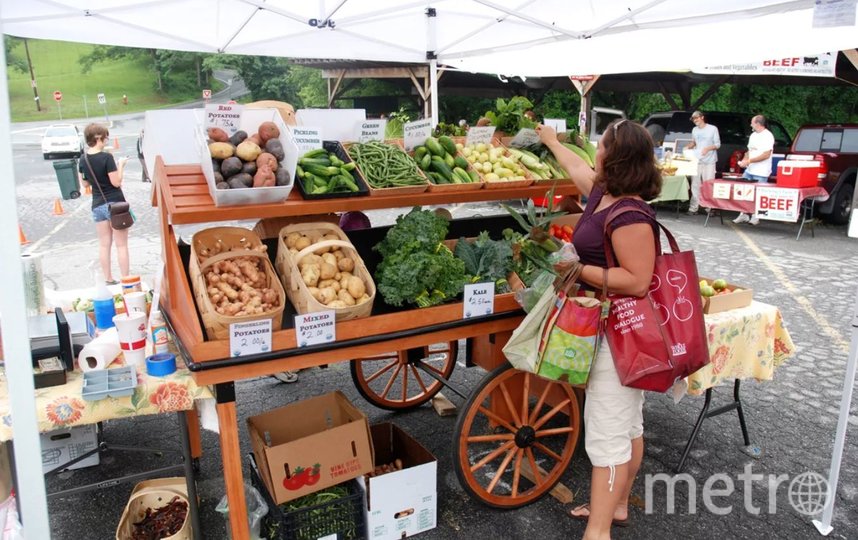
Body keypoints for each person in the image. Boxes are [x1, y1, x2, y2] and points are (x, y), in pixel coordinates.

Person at [537, 120, 661, 540]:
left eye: (601, 144)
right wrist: (552, 142)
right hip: (609, 331)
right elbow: (577, 170)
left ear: (614, 154)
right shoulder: (603, 194)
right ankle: (619, 505)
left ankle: (598, 530)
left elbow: (638, 279)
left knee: (608, 437)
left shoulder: (631, 214)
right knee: (628, 426)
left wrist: (578, 269)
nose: (595, 149)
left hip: (619, 334)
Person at [78, 123, 129, 285]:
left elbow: (85, 184)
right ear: (98, 138)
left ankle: (108, 278)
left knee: (104, 244)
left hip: (97, 204)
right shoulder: (107, 158)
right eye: (106, 136)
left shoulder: (83, 159)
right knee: (121, 245)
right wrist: (121, 165)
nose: (107, 139)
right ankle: (126, 279)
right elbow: (116, 182)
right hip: (115, 204)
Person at [733, 114, 775, 225]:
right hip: (749, 169)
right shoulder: (753, 135)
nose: (750, 124)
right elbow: (749, 151)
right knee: (743, 192)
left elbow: (766, 154)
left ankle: (756, 216)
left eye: (752, 122)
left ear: (758, 123)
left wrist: (750, 161)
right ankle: (744, 214)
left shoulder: (768, 136)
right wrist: (744, 160)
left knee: (759, 194)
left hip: (761, 171)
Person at [685, 111, 720, 215]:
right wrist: (688, 146)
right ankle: (693, 207)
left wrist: (708, 148)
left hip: (709, 161)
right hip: (697, 160)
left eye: (697, 118)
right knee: (695, 184)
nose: (695, 120)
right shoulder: (694, 130)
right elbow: (694, 142)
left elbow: (717, 144)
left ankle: (709, 208)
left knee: (708, 184)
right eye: (693, 119)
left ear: (702, 117)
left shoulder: (712, 129)